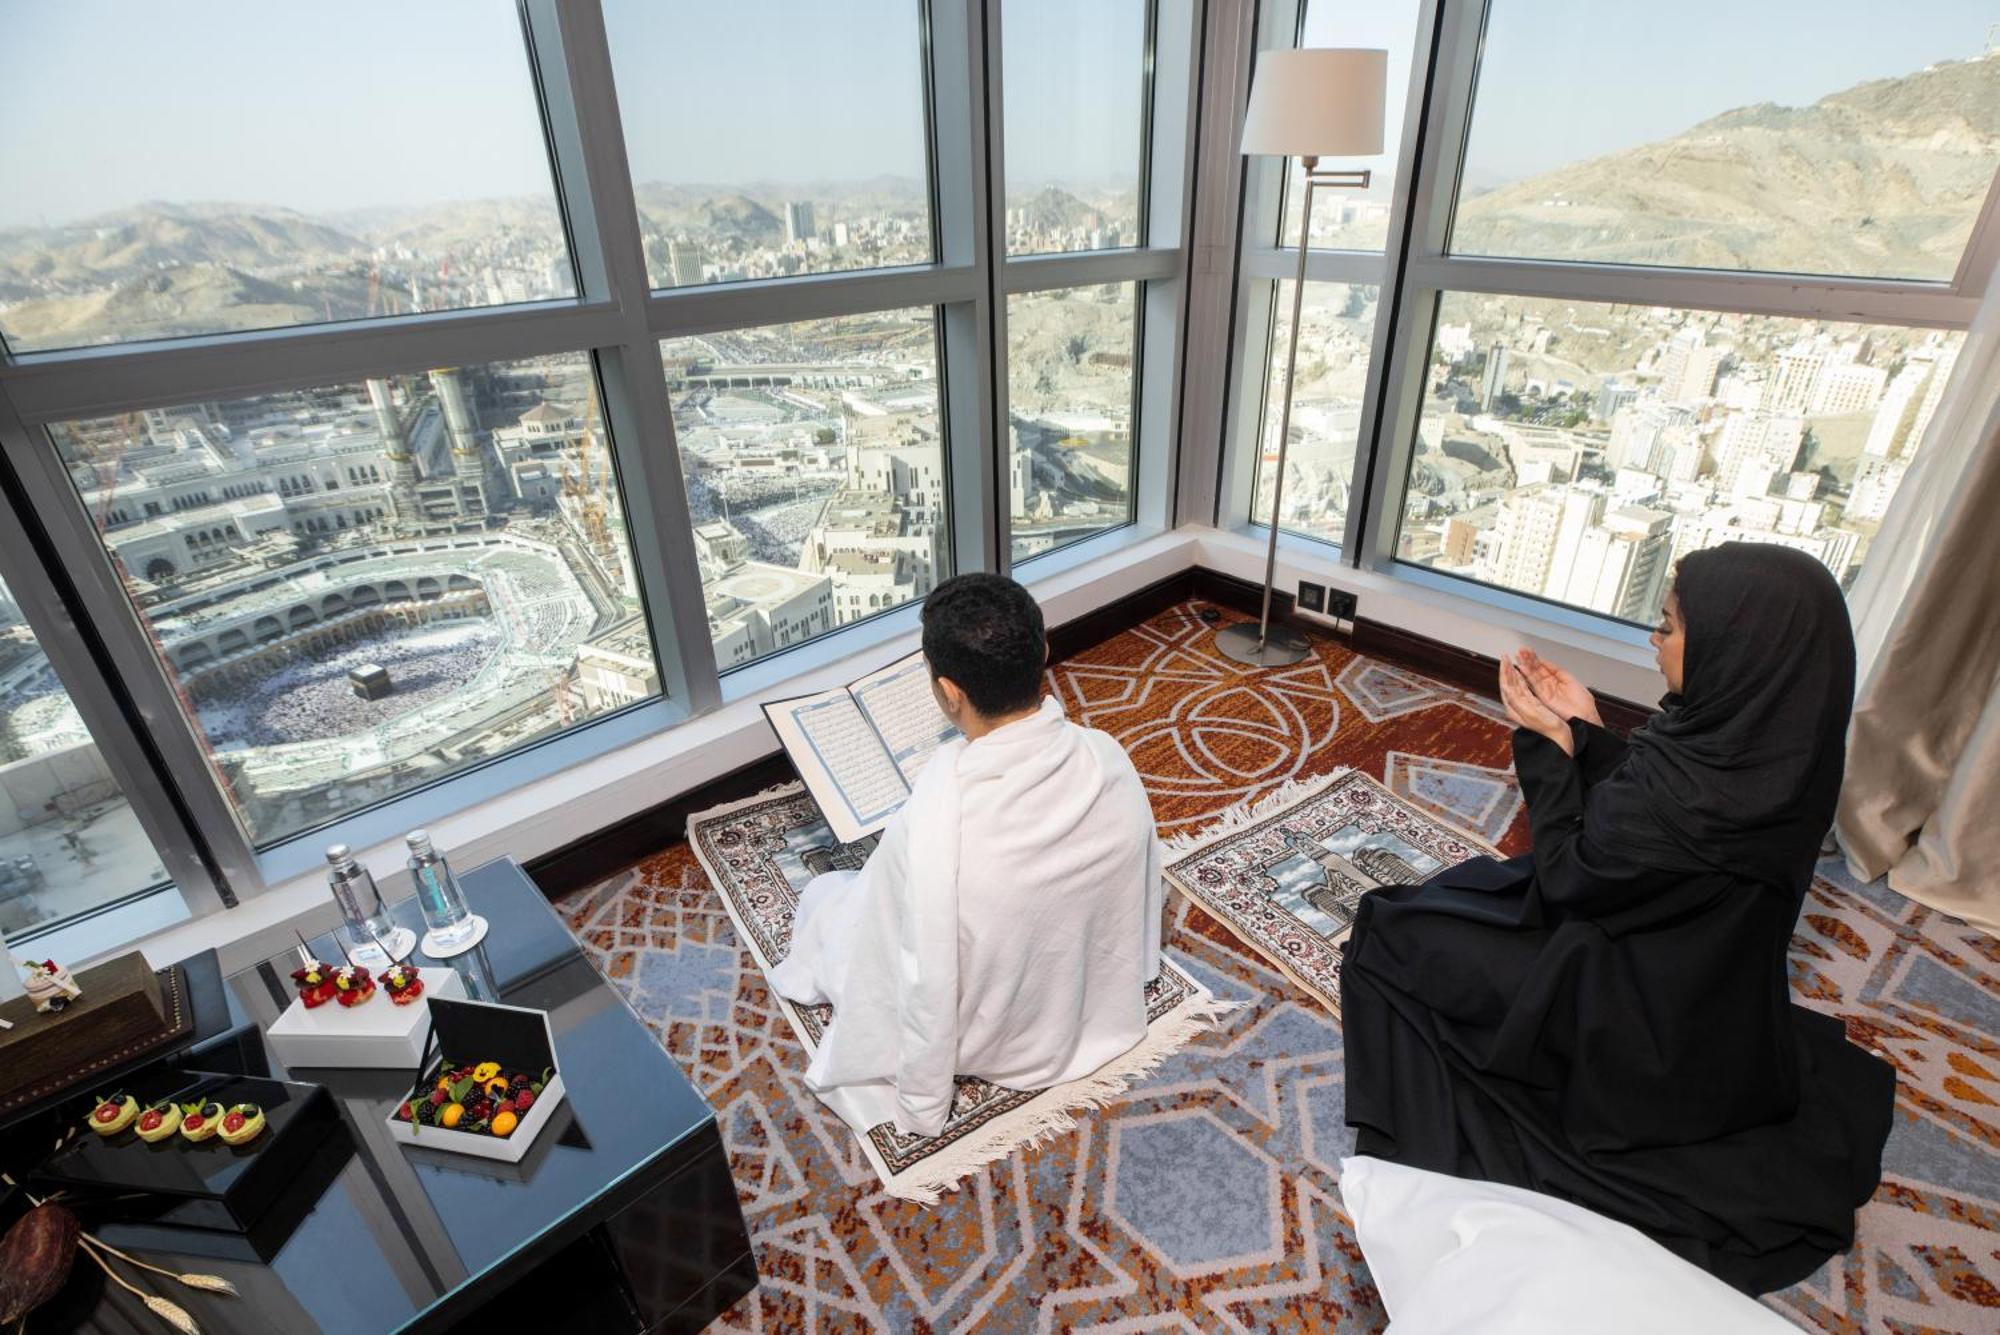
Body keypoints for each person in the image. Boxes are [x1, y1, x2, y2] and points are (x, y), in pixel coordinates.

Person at [1339, 542, 1897, 1294]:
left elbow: (1571, 874)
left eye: (1666, 627)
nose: (1653, 639)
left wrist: (1546, 743)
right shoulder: (1779, 746)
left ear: (1734, 650)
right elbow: (1650, 841)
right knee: (1474, 893)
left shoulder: (1681, 793)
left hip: (1623, 1020)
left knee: (1395, 929)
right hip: (1714, 1001)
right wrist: (1592, 729)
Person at [771, 573, 1165, 1140]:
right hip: (1091, 994)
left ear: (950, 694)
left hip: (1001, 1038)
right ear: (1044, 653)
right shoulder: (1107, 755)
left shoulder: (937, 815)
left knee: (829, 901)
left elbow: (916, 971)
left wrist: (921, 1103)